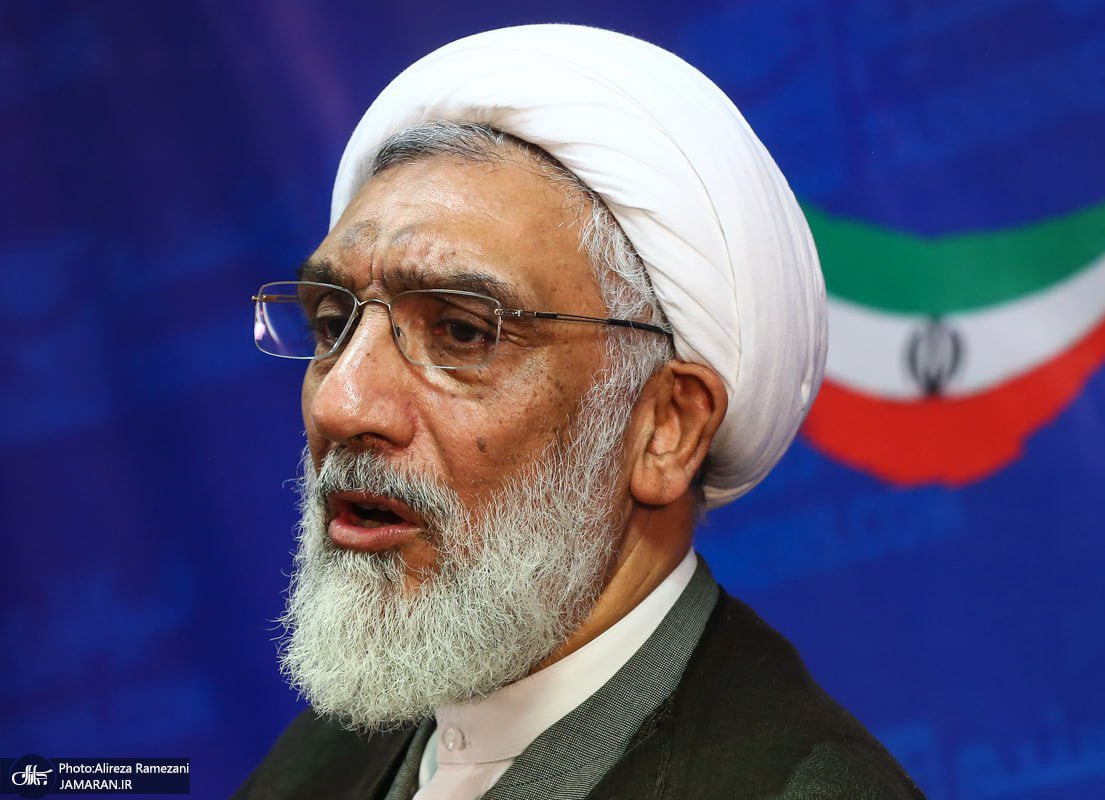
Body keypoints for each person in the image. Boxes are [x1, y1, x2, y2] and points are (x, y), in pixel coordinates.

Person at [237, 24, 924, 800]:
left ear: (666, 429)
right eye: (333, 325)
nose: (341, 403)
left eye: (461, 332)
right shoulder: (320, 760)